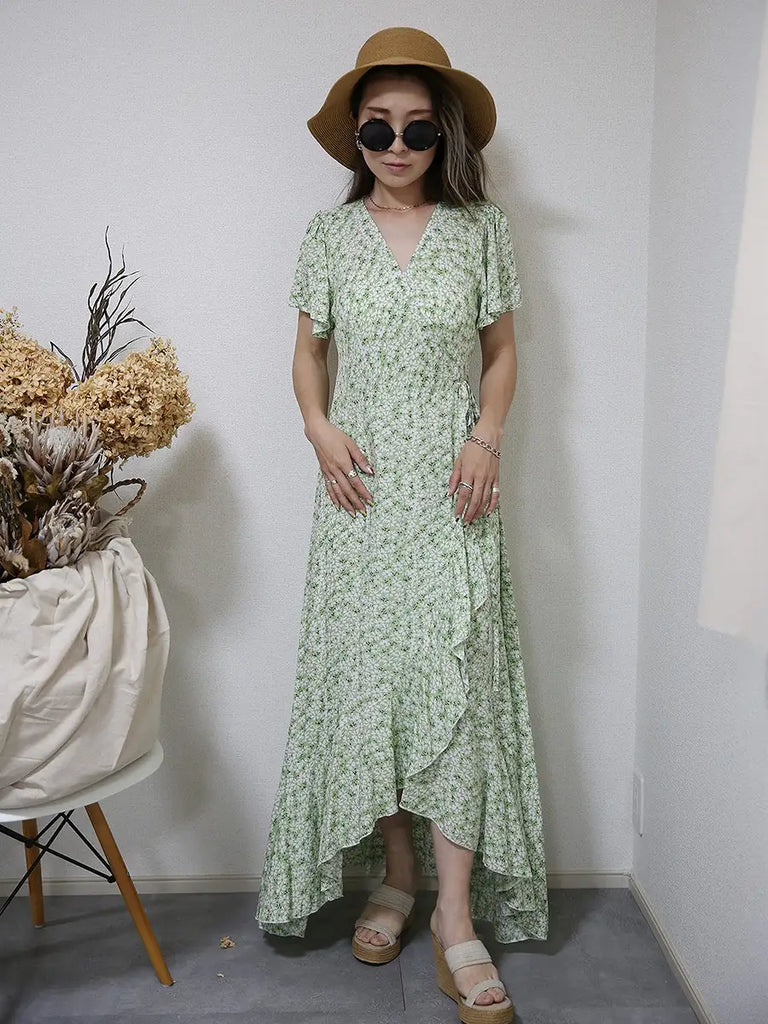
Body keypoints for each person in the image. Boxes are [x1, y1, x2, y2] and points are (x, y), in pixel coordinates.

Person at [255, 26, 549, 1022]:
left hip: (455, 492)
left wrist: (487, 436)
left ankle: (454, 916)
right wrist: (317, 427)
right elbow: (308, 353)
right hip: (362, 493)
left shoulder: (482, 231)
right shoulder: (328, 235)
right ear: (355, 135)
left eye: (418, 127)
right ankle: (397, 874)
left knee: (455, 689)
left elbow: (501, 352)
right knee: (373, 686)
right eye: (377, 126)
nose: (396, 144)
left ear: (443, 134)